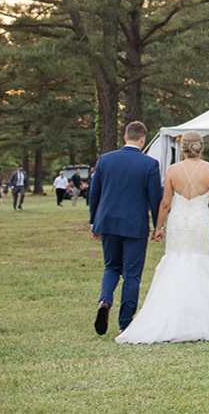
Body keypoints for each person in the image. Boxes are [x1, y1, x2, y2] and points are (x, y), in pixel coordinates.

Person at [116, 130, 209, 344]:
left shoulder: (173, 170)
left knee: (177, 262)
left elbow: (165, 203)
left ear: (183, 147)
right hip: (199, 222)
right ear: (201, 146)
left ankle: (173, 316)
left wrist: (158, 227)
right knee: (199, 264)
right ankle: (200, 319)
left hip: (178, 222)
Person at [89, 120, 165, 336]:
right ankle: (125, 323)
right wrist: (157, 226)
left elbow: (95, 193)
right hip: (135, 224)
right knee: (132, 274)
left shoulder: (105, 160)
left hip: (108, 221)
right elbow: (154, 198)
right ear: (143, 139)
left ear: (125, 137)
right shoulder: (149, 164)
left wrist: (94, 221)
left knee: (111, 266)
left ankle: (104, 301)